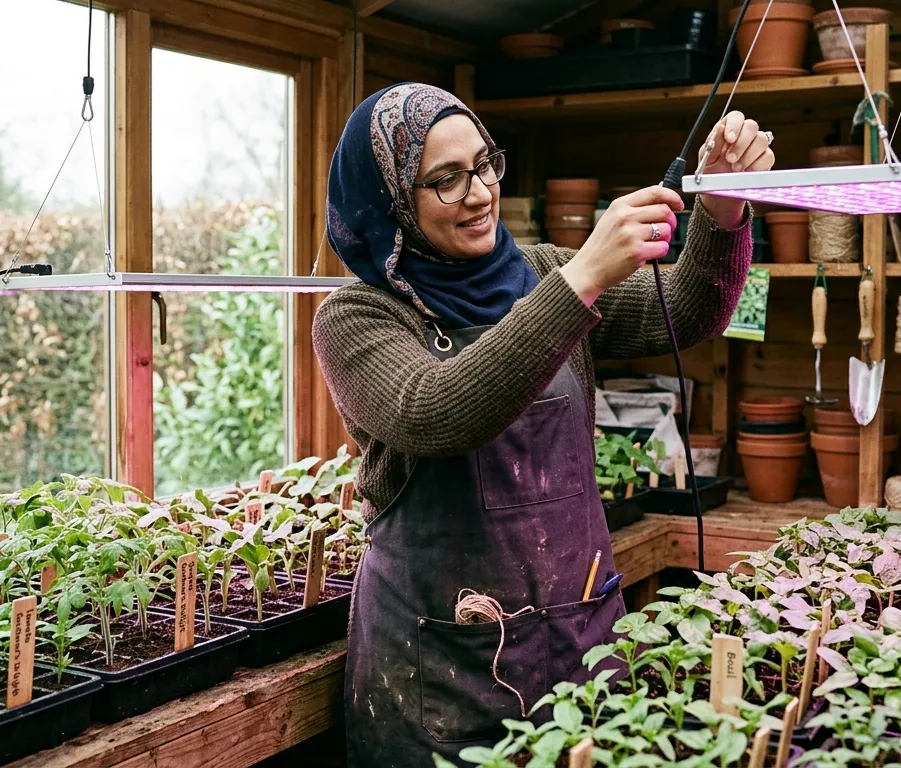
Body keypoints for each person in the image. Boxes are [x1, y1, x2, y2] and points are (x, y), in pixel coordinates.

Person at [313, 82, 774, 767]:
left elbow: (686, 311)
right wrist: (583, 275)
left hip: (578, 640)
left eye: (484, 163)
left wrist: (725, 205)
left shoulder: (539, 270)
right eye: (445, 180)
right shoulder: (358, 317)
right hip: (439, 670)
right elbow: (437, 411)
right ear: (390, 204)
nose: (478, 193)